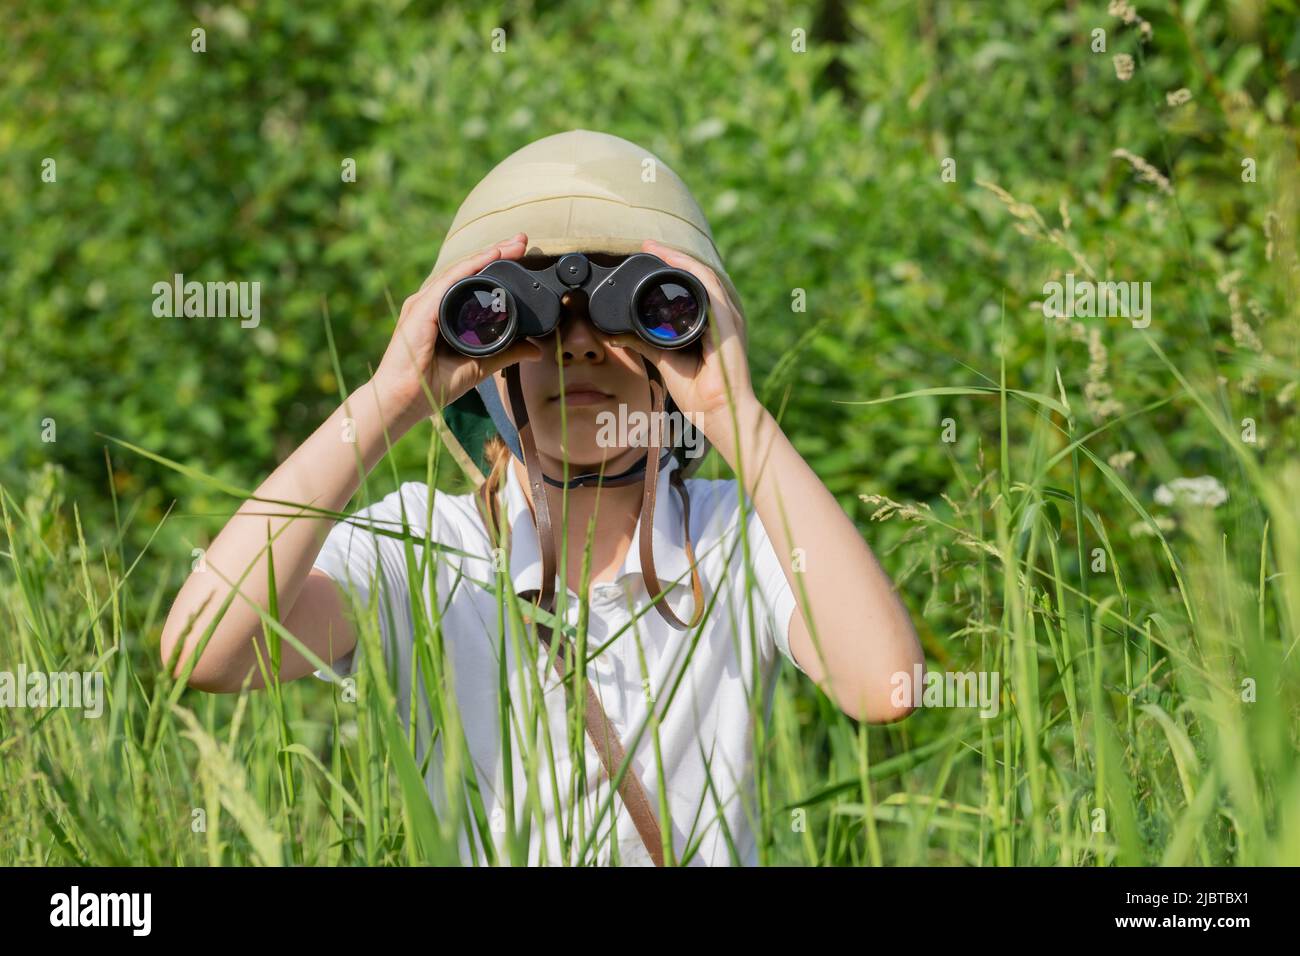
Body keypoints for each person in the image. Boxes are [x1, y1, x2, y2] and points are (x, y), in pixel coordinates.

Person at [160, 129, 924, 866]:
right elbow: (208, 650)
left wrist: (735, 415)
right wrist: (392, 397)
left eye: (637, 316)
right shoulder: (424, 546)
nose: (582, 344)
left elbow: (884, 685)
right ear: (482, 364)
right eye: (527, 319)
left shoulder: (733, 539)